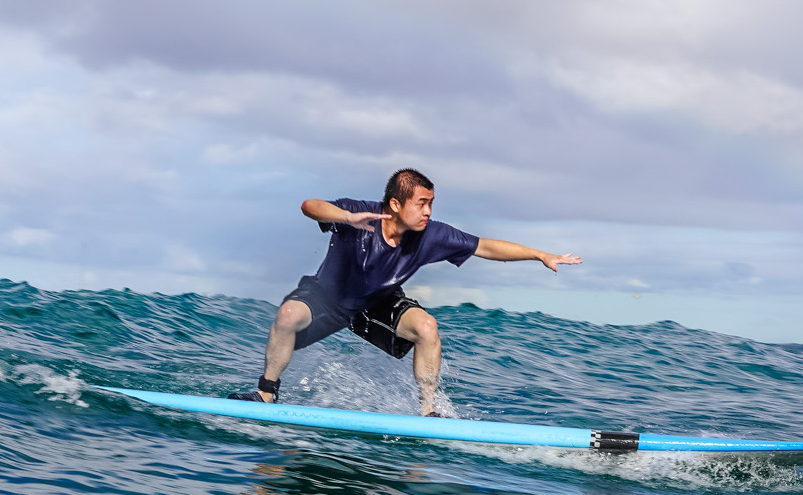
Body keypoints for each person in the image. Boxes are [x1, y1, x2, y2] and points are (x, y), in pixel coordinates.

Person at [234, 168, 581, 416]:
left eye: (431, 203)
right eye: (422, 203)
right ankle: (267, 392)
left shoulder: (430, 234)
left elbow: (485, 246)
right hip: (327, 298)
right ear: (396, 205)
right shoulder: (359, 213)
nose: (428, 211)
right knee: (288, 314)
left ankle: (427, 411)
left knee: (427, 327)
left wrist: (539, 254)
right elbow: (309, 206)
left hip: (377, 304)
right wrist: (345, 217)